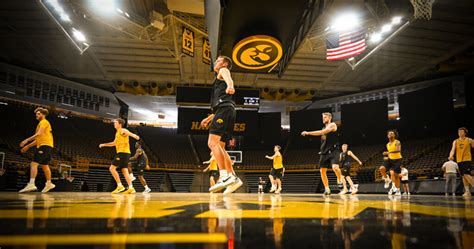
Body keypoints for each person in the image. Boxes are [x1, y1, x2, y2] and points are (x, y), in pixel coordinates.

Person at [200, 55, 242, 195]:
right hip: (227, 110)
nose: (215, 62)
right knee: (222, 147)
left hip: (224, 110)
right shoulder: (219, 79)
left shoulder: (223, 71)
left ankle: (223, 176)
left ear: (224, 63)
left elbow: (229, 78)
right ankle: (233, 177)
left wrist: (231, 86)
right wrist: (210, 118)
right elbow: (223, 103)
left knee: (212, 143)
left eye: (218, 60)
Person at [301, 112, 342, 195]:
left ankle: (339, 178)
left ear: (330, 118)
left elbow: (322, 132)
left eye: (325, 117)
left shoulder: (333, 125)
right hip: (324, 152)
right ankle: (327, 189)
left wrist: (308, 133)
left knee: (335, 168)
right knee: (322, 171)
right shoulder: (323, 127)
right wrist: (322, 149)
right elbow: (324, 141)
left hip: (334, 150)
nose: (323, 119)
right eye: (323, 117)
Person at [19, 107, 56, 193]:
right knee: (45, 165)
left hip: (45, 146)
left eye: (38, 114)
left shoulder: (43, 122)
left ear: (43, 115)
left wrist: (26, 140)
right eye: (36, 114)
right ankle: (49, 183)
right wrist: (28, 146)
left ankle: (31, 184)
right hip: (48, 146)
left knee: (33, 164)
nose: (37, 115)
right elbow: (38, 139)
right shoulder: (42, 123)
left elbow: (39, 134)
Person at [99, 118, 140, 194]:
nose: (114, 124)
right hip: (126, 153)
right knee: (124, 170)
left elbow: (127, 132)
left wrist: (135, 136)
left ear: (120, 124)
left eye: (115, 122)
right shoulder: (117, 132)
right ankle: (131, 188)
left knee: (112, 168)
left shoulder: (122, 130)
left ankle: (120, 186)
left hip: (122, 153)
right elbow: (114, 143)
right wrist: (104, 144)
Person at [449, 127, 474, 197]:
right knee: (463, 176)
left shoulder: (469, 140)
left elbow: (473, 146)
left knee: (466, 174)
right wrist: (451, 156)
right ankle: (467, 192)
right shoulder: (455, 141)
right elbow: (452, 150)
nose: (459, 133)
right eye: (459, 132)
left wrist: (473, 142)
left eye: (461, 132)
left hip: (467, 159)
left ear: (465, 133)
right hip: (459, 160)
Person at [380, 130, 403, 196]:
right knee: (381, 168)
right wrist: (388, 157)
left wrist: (388, 153)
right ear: (387, 136)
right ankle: (387, 179)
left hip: (397, 160)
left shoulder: (397, 142)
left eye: (392, 133)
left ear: (394, 135)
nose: (390, 134)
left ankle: (398, 190)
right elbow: (390, 153)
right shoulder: (387, 144)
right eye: (389, 133)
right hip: (390, 159)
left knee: (394, 174)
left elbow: (398, 150)